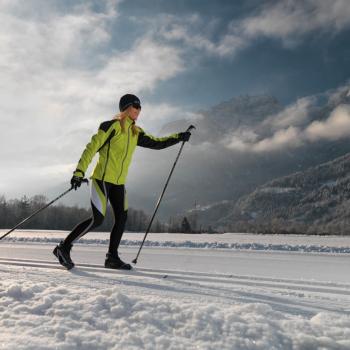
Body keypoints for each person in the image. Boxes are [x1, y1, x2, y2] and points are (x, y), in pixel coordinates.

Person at [53, 94, 191, 270]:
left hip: (119, 183)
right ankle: (63, 247)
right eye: (136, 106)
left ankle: (112, 258)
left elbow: (157, 143)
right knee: (98, 219)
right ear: (126, 108)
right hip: (101, 179)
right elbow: (91, 148)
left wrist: (179, 137)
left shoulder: (136, 132)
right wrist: (79, 172)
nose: (139, 110)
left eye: (140, 107)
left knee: (122, 218)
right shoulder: (110, 126)